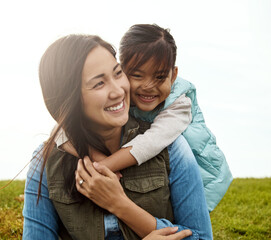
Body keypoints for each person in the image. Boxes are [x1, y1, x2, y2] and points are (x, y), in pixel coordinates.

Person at [22, 34, 212, 239]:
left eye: (118, 73)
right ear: (69, 98)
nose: (118, 91)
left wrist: (120, 204)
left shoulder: (171, 148)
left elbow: (201, 237)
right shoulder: (45, 161)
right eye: (98, 84)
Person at [57, 24, 232, 212]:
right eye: (138, 75)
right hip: (156, 176)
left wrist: (102, 168)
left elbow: (150, 143)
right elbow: (62, 130)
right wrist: (95, 158)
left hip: (204, 174)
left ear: (173, 76)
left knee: (184, 223)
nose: (148, 86)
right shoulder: (121, 94)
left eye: (159, 77)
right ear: (122, 71)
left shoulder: (179, 104)